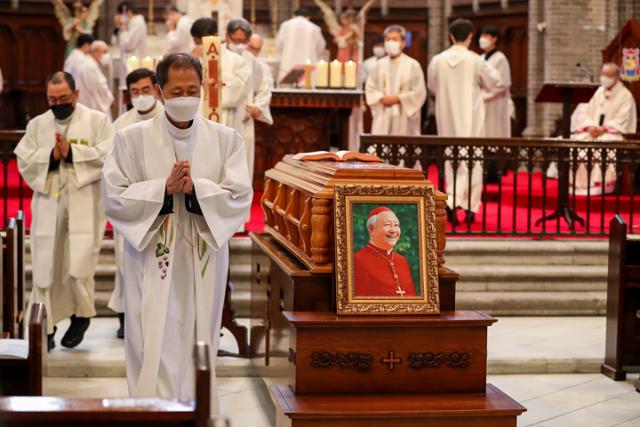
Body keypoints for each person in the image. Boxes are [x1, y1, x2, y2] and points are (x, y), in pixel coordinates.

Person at [101, 53, 252, 406]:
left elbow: (240, 196)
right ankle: (149, 409)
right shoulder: (130, 139)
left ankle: (196, 408)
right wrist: (163, 191)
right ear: (158, 91)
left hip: (203, 254)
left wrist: (196, 189)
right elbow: (113, 197)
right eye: (177, 90)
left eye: (193, 90)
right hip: (151, 256)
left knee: (199, 335)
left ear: (203, 89)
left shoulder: (226, 138)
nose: (186, 97)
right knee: (151, 334)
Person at [14, 71, 113, 352]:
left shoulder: (97, 121)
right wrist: (52, 157)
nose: (57, 104)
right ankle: (44, 327)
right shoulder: (37, 125)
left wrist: (72, 153)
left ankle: (81, 316)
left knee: (79, 265)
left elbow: (109, 154)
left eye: (63, 99)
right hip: (49, 202)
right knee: (45, 266)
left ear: (76, 95)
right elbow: (25, 160)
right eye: (52, 99)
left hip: (84, 201)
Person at [108, 68, 163, 339]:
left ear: (156, 88)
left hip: (163, 202)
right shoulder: (121, 124)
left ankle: (157, 316)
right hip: (132, 202)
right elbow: (112, 166)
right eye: (134, 92)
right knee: (125, 260)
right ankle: (125, 314)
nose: (140, 96)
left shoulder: (170, 118)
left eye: (145, 90)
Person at [427, 18, 500, 225]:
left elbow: (432, 86)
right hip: (472, 118)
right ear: (470, 37)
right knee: (473, 161)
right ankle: (465, 205)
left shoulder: (438, 60)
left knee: (451, 160)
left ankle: (452, 199)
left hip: (446, 116)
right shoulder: (476, 60)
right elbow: (494, 81)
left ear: (451, 36)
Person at [571, 63, 637, 195]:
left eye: (608, 75)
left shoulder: (625, 95)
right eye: (603, 74)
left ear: (616, 77)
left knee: (603, 149)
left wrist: (604, 129)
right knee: (577, 144)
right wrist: (589, 126)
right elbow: (585, 111)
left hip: (611, 133)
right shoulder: (598, 92)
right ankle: (580, 185)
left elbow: (623, 119)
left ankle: (599, 186)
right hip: (593, 131)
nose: (604, 78)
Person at [225, 19, 273, 188]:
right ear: (227, 36)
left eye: (243, 41)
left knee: (243, 165)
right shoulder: (216, 57)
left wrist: (258, 106)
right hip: (220, 118)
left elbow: (263, 88)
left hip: (244, 119)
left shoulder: (252, 60)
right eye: (236, 40)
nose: (239, 45)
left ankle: (241, 205)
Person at [190, 17, 251, 132]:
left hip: (228, 118)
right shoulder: (191, 60)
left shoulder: (237, 61)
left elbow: (241, 91)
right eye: (198, 42)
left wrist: (217, 86)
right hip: (199, 117)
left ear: (217, 36)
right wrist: (193, 61)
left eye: (204, 40)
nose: (202, 45)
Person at [365, 25, 426, 136]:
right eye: (387, 39)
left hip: (404, 118)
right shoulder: (378, 65)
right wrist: (381, 98)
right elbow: (370, 88)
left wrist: (398, 99)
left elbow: (419, 92)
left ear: (403, 43)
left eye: (394, 39)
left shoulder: (413, 65)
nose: (390, 42)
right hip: (383, 115)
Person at [353, 207, 415, 297]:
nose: (393, 230)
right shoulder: (357, 260)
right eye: (387, 225)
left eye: (396, 225)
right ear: (372, 229)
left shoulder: (402, 261)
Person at [275, 8, 326, 82]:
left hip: (288, 63)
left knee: (287, 87)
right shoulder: (314, 28)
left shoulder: (285, 25)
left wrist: (285, 54)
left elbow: (278, 44)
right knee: (307, 86)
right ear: (308, 17)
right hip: (308, 63)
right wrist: (313, 54)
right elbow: (321, 46)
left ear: (293, 16)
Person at [479, 26, 511, 138]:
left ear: (494, 39)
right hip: (482, 99)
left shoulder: (500, 58)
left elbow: (504, 83)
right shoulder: (481, 58)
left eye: (486, 36)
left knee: (495, 130)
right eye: (481, 36)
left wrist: (487, 95)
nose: (482, 39)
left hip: (496, 101)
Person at [77, 40, 114, 121]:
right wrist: (110, 98)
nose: (106, 55)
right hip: (93, 106)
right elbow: (99, 88)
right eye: (104, 52)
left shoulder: (90, 64)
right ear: (95, 52)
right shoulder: (90, 66)